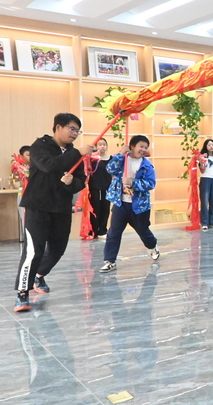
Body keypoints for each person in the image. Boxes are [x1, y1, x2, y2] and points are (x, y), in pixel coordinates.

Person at [14, 113, 95, 312]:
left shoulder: (74, 152)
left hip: (61, 208)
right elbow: (49, 166)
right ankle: (22, 293)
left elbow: (80, 181)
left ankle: (38, 275)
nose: (74, 133)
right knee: (34, 251)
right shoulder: (40, 146)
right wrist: (78, 153)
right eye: (72, 129)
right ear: (58, 127)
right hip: (38, 207)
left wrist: (71, 182)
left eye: (77, 130)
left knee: (58, 249)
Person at [100, 135, 160, 273]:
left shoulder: (147, 166)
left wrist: (133, 183)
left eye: (145, 147)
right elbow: (110, 169)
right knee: (113, 233)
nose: (143, 149)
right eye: (141, 146)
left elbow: (151, 184)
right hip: (120, 203)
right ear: (132, 146)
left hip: (139, 206)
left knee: (143, 231)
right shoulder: (123, 160)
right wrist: (120, 153)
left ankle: (152, 246)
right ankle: (110, 261)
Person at [88, 138, 112, 239]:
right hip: (94, 187)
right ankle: (93, 231)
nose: (102, 146)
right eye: (100, 144)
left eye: (104, 144)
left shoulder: (111, 159)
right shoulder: (92, 158)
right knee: (95, 208)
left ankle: (102, 230)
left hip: (107, 187)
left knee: (105, 208)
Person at [12, 145, 30, 241]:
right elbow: (18, 181)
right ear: (21, 156)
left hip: (35, 195)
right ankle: (27, 239)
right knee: (25, 218)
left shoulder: (36, 165)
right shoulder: (17, 166)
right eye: (28, 155)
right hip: (23, 193)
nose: (31, 157)